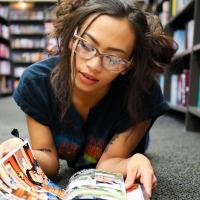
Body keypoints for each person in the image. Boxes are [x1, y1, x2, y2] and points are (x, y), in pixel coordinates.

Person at [0, 0, 176, 198]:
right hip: (75, 149)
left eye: (114, 58)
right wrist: (21, 153)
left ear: (128, 65)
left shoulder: (143, 94)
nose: (93, 65)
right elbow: (48, 160)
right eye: (85, 44)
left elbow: (108, 164)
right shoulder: (37, 83)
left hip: (116, 146)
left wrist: (135, 160)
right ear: (71, 39)